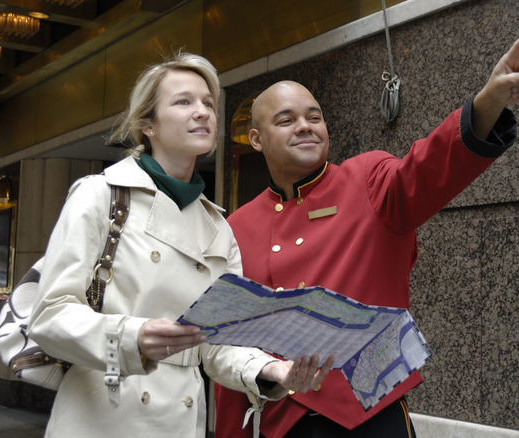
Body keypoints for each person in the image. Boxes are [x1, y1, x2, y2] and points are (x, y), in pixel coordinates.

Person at [214, 28, 519, 438]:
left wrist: (489, 99)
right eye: (287, 120)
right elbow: (227, 344)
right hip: (283, 422)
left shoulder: (368, 177)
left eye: (314, 117)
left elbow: (430, 167)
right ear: (257, 139)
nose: (305, 126)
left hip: (371, 413)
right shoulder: (234, 227)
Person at [27, 51, 334, 438]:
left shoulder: (217, 226)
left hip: (181, 420)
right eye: (183, 102)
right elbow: (49, 315)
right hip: (101, 416)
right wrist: (132, 337)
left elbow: (222, 342)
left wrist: (272, 370)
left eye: (208, 103)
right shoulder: (100, 194)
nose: (202, 112)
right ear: (147, 125)